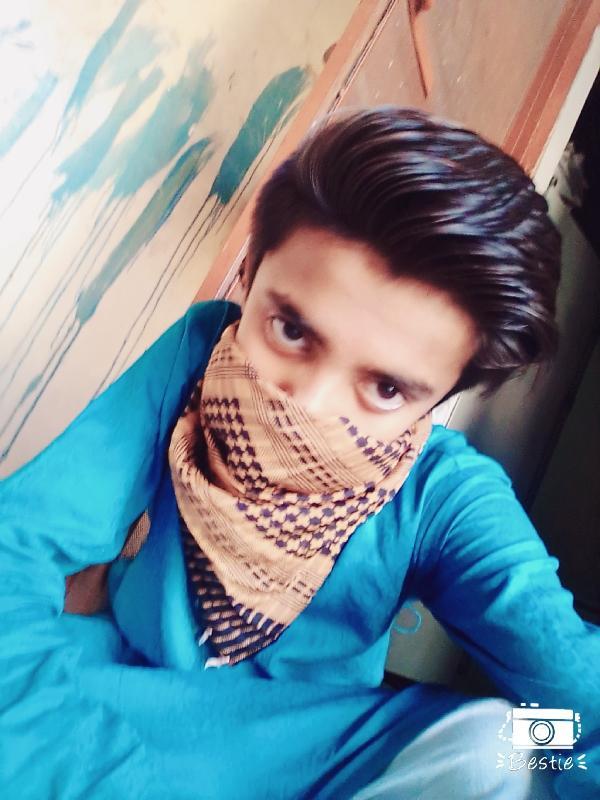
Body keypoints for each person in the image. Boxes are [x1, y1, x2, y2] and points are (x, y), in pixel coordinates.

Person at [0, 107, 598, 800]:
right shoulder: (198, 361)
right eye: (290, 330)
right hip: (110, 706)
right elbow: (18, 543)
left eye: (385, 388)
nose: (310, 404)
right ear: (249, 276)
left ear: (438, 399)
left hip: (318, 759)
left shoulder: (442, 498)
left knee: (516, 741)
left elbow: (580, 704)